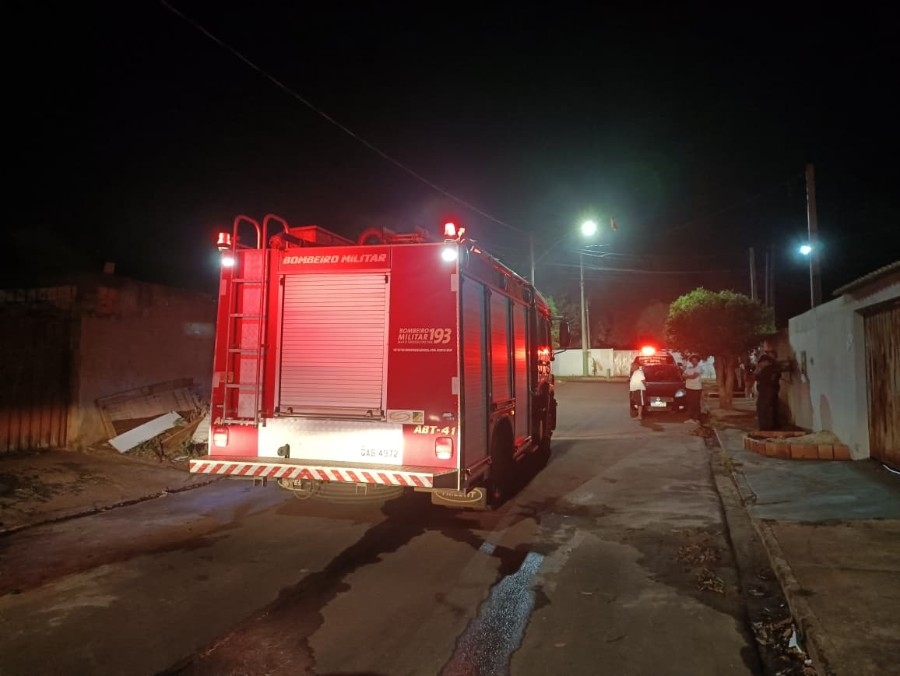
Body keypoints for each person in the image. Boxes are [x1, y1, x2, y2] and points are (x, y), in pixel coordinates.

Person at [755, 354, 781, 430]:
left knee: (763, 409)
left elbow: (759, 378)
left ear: (766, 362)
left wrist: (758, 371)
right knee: (770, 409)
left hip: (766, 392)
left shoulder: (767, 370)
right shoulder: (775, 369)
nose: (760, 365)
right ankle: (771, 426)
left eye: (761, 363)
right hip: (772, 391)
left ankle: (765, 427)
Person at [683, 354, 703, 424]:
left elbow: (694, 376)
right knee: (690, 403)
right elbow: (683, 375)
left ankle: (697, 419)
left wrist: (688, 376)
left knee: (696, 403)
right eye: (692, 360)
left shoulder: (699, 368)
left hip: (696, 388)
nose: (694, 362)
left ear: (698, 361)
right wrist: (689, 376)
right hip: (689, 388)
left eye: (695, 360)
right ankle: (691, 418)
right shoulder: (689, 368)